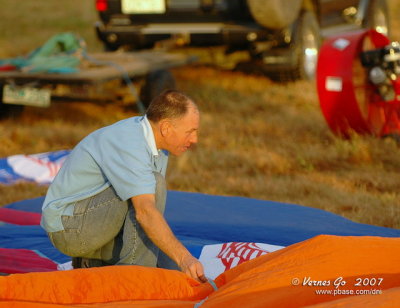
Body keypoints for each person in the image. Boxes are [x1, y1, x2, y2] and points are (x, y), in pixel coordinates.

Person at [41, 90, 206, 282]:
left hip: (94, 224)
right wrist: (185, 258)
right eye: (190, 131)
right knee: (153, 193)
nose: (195, 140)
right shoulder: (130, 143)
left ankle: (91, 264)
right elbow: (145, 212)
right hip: (69, 230)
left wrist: (180, 261)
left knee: (176, 275)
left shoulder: (158, 146)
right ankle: (133, 282)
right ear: (166, 128)